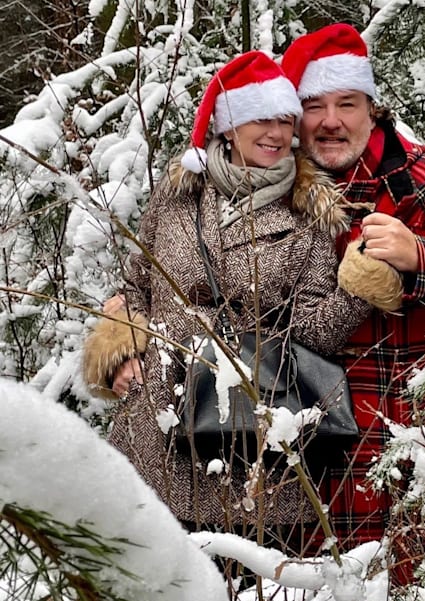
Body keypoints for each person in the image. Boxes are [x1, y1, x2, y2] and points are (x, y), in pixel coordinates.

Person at [82, 50, 371, 554]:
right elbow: (138, 285)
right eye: (262, 118)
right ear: (228, 125)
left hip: (243, 446)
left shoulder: (309, 216)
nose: (277, 133)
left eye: (286, 120)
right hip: (155, 424)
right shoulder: (177, 197)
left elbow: (313, 337)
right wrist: (120, 347)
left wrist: (361, 291)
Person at [281, 24, 425, 559]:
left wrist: (420, 259)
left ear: (372, 107)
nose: (331, 121)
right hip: (298, 463)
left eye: (347, 103)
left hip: (409, 455)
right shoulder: (273, 187)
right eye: (314, 106)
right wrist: (128, 309)